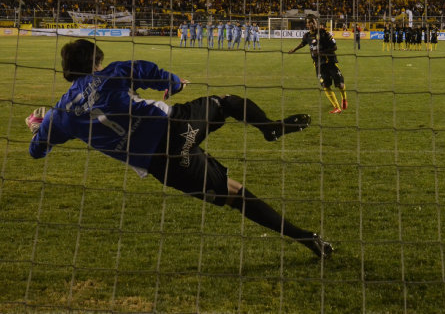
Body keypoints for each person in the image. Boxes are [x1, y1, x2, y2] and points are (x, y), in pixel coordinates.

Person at [25, 39, 333, 259]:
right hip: (178, 126)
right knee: (225, 103)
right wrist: (173, 83)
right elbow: (145, 70)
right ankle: (269, 129)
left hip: (164, 162)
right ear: (95, 63)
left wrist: (39, 127)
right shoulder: (111, 73)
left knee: (234, 193)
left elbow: (37, 151)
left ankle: (306, 238)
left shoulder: (59, 115)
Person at [288, 15, 347, 114]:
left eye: (313, 22)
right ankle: (336, 107)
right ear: (307, 24)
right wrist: (294, 49)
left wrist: (322, 53)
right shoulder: (307, 36)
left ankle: (344, 99)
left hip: (330, 62)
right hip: (319, 65)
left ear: (316, 23)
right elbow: (303, 43)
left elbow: (335, 47)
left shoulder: (324, 33)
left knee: (340, 84)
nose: (311, 24)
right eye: (309, 22)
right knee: (325, 85)